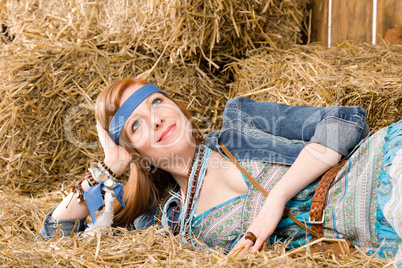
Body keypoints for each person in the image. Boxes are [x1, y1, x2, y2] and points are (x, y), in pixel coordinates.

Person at [37, 78, 402, 261]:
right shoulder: (163, 224)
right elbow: (54, 237)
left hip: (386, 165)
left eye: (156, 102)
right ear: (134, 150)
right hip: (379, 239)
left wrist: (278, 196)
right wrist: (109, 167)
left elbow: (344, 120)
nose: (156, 118)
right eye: (136, 125)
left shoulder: (239, 122)